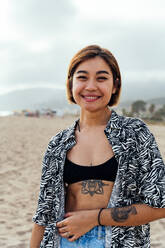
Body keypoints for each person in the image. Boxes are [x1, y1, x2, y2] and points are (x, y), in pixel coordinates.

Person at [30, 45, 165, 248]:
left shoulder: (135, 133)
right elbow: (44, 212)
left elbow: (160, 205)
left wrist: (95, 218)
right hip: (65, 241)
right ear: (71, 84)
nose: (91, 86)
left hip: (122, 242)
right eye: (82, 77)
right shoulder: (58, 143)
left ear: (115, 85)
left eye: (101, 78)